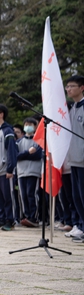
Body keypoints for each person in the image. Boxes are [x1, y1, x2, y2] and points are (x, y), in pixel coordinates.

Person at [65, 75, 84, 241]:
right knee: (77, 197)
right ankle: (81, 226)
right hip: (74, 161)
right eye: (67, 87)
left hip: (83, 160)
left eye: (72, 86)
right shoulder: (72, 108)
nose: (68, 89)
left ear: (82, 87)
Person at [16, 118, 42, 227]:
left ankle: (34, 217)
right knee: (23, 195)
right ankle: (26, 216)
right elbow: (15, 156)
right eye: (26, 124)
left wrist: (23, 155)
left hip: (34, 171)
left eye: (31, 124)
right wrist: (28, 152)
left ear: (35, 127)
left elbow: (37, 155)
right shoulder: (18, 142)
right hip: (21, 172)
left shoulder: (38, 141)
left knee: (31, 194)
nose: (28, 126)